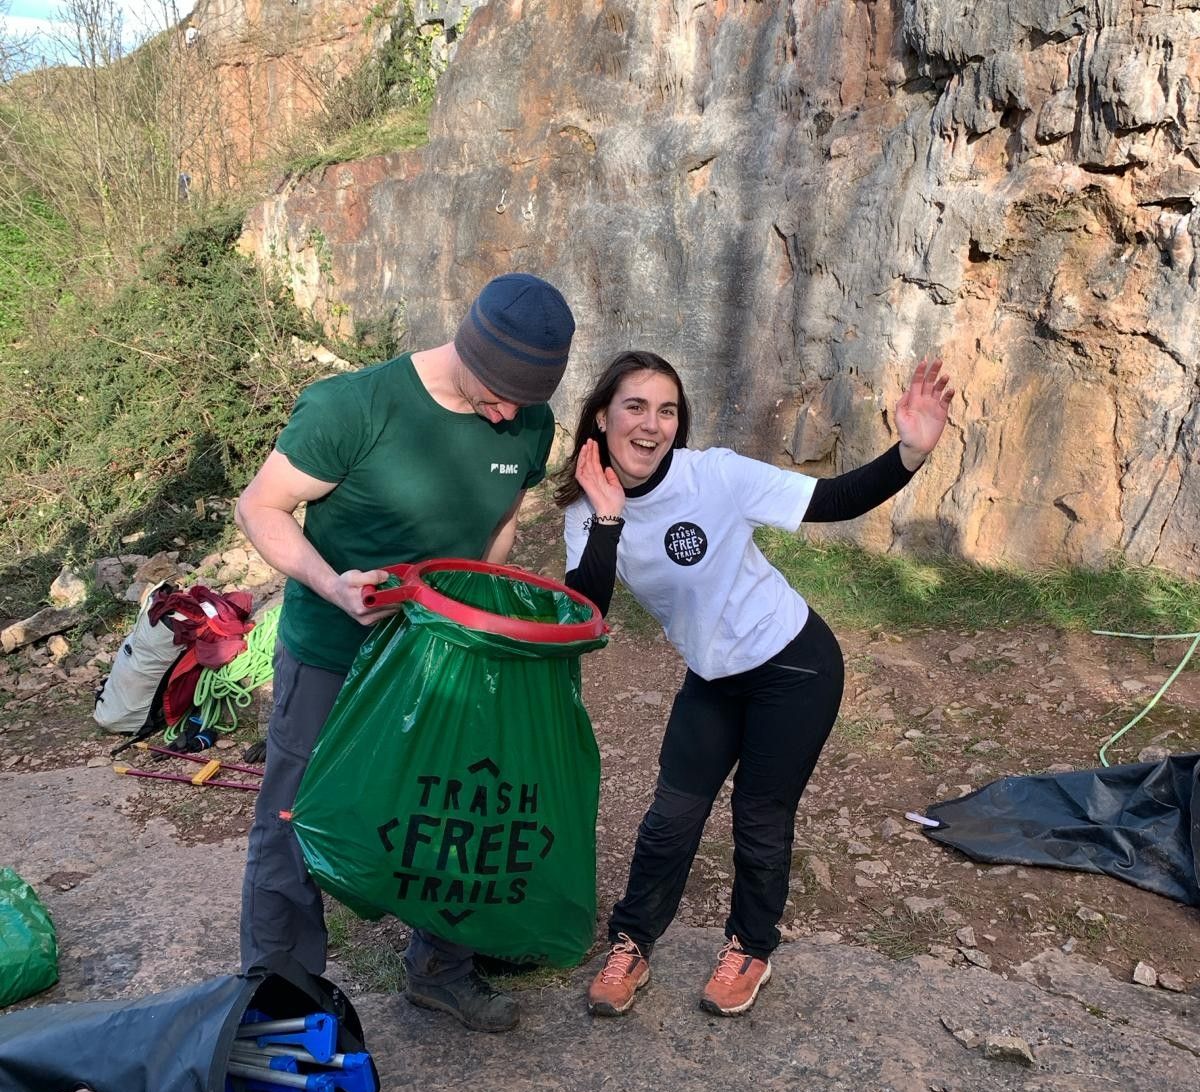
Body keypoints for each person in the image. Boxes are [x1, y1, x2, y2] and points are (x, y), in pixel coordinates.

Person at [556, 350, 953, 1017]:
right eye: (635, 406)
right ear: (602, 415)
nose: (651, 425)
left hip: (794, 666)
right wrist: (606, 514)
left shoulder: (714, 475)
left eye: (667, 410)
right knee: (671, 817)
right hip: (713, 676)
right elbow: (586, 611)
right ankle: (631, 943)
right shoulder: (589, 507)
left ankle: (749, 947)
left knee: (760, 818)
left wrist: (908, 453)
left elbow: (833, 499)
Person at [237, 273, 575, 1033]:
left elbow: (499, 526)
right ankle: (279, 993)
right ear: (466, 345)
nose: (509, 414)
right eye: (497, 394)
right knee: (296, 815)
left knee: (454, 812)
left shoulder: (527, 424)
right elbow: (259, 505)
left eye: (526, 402)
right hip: (334, 650)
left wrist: (487, 620)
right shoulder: (352, 407)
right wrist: (330, 584)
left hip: (443, 659)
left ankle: (440, 969)